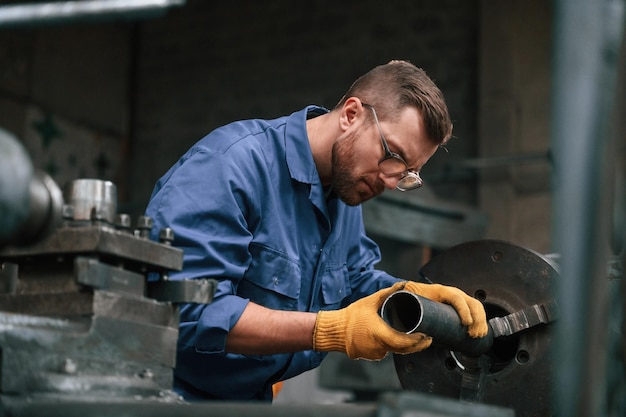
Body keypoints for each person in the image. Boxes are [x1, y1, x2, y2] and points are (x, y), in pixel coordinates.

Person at [145, 59, 488, 402]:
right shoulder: (229, 166)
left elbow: (354, 283)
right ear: (351, 114)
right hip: (165, 398)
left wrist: (412, 297)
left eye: (407, 173)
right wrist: (330, 330)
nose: (390, 179)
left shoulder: (343, 192)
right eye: (392, 156)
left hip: (247, 403)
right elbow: (189, 313)